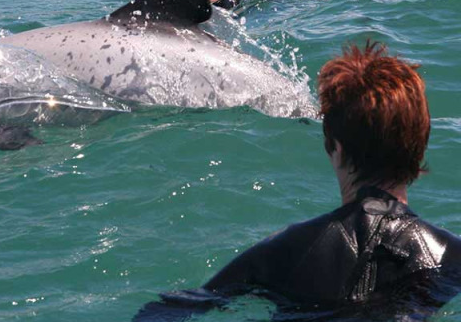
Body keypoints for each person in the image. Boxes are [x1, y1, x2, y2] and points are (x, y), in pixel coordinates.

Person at [134, 41, 461, 321]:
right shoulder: (449, 257)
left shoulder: (282, 252)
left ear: (334, 146)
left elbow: (167, 311)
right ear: (419, 144)